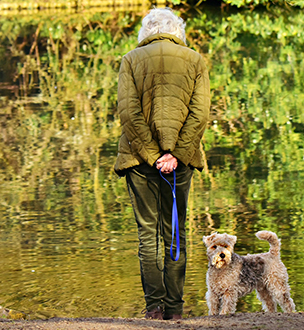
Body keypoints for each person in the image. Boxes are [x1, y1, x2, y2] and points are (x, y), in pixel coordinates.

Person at [114, 8, 210, 320]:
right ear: (176, 31)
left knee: (147, 234)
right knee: (176, 233)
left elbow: (128, 113)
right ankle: (176, 310)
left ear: (147, 31)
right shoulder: (195, 59)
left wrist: (153, 155)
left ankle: (154, 309)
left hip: (138, 160)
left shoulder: (130, 59)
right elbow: (200, 114)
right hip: (178, 162)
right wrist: (175, 155)